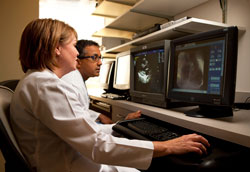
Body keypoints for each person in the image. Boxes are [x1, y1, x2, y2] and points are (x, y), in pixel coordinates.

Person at [10, 18, 210, 172]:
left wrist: (118, 127)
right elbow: (97, 146)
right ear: (57, 48)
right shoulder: (45, 85)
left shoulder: (36, 81)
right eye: (73, 45)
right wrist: (167, 146)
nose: (76, 53)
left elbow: (83, 133)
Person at [62, 39, 140, 124]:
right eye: (94, 58)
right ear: (78, 62)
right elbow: (89, 131)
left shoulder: (77, 79)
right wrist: (121, 124)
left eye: (100, 58)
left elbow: (80, 111)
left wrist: (98, 115)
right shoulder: (72, 84)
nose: (100, 63)